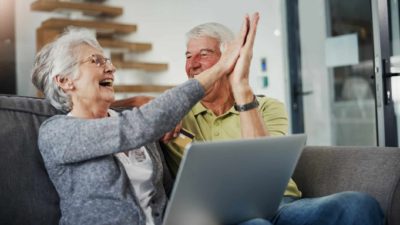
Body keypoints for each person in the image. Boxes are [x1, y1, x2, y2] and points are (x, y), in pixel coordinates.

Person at [114, 21, 384, 225]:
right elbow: (96, 112)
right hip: (219, 215)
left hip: (282, 205)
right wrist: (137, 100)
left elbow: (264, 169)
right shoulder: (177, 111)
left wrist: (241, 87)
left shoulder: (267, 107)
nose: (193, 64)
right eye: (188, 56)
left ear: (230, 61)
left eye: (203, 54)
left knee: (359, 204)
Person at [32, 13, 272, 225]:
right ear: (64, 81)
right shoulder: (57, 132)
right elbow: (135, 127)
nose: (111, 68)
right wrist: (219, 69)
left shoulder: (132, 121)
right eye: (96, 61)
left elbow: (167, 192)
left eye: (108, 61)